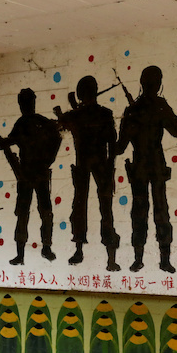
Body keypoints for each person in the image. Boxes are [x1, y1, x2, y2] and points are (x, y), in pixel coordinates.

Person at [115, 65, 177, 273]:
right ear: (159, 84)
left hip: (139, 167)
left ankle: (138, 259)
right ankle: (164, 259)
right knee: (161, 212)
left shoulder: (132, 110)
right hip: (156, 164)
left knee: (139, 212)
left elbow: (120, 147)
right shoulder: (160, 105)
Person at [54, 75, 121, 271]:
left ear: (81, 94)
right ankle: (110, 257)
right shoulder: (105, 113)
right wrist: (110, 167)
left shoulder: (76, 114)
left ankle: (79, 249)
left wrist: (64, 109)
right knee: (105, 209)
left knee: (80, 206)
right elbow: (112, 143)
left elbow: (62, 122)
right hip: (102, 164)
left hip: (84, 164)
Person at [0, 88, 61, 265]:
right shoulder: (42, 122)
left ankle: (22, 253)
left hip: (27, 174)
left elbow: (5, 144)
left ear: (22, 103)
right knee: (43, 212)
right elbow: (57, 137)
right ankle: (44, 249)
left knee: (25, 213)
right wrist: (48, 159)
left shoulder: (22, 123)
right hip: (38, 173)